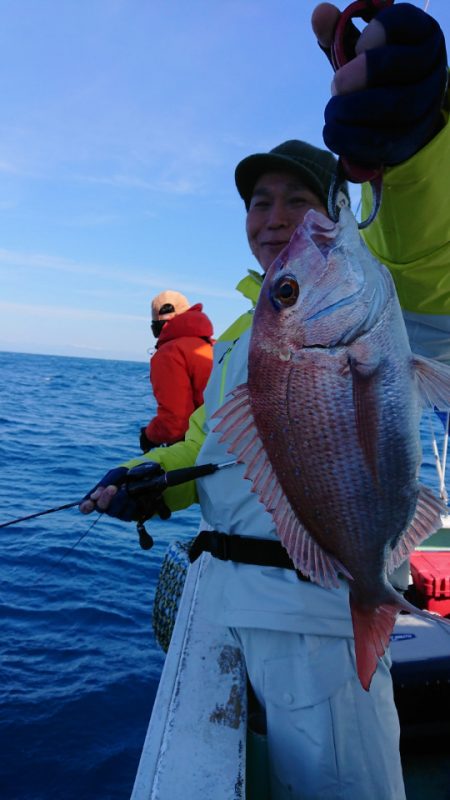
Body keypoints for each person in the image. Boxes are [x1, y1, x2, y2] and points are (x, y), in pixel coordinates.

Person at [81, 3, 449, 798]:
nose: (276, 218)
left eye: (298, 202)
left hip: (317, 614)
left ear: (342, 218)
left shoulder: (373, 294)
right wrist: (149, 476)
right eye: (259, 203)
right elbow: (217, 450)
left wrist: (410, 156)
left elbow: (421, 253)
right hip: (242, 603)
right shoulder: (258, 329)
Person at [139, 289, 214, 453]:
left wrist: (148, 436)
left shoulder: (169, 353)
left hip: (201, 448)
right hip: (229, 442)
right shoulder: (213, 345)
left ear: (159, 325)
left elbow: (175, 424)